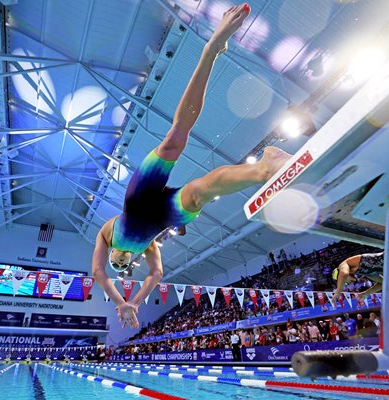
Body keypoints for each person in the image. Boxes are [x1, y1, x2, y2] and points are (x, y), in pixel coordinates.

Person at [92, 3, 291, 329]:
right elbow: (156, 275)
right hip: (162, 214)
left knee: (174, 140)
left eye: (116, 260)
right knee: (199, 192)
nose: (118, 260)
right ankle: (263, 169)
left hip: (139, 198)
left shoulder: (106, 236)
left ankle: (212, 49)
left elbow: (98, 273)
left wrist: (118, 299)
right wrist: (133, 303)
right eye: (121, 264)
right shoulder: (147, 248)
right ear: (128, 261)